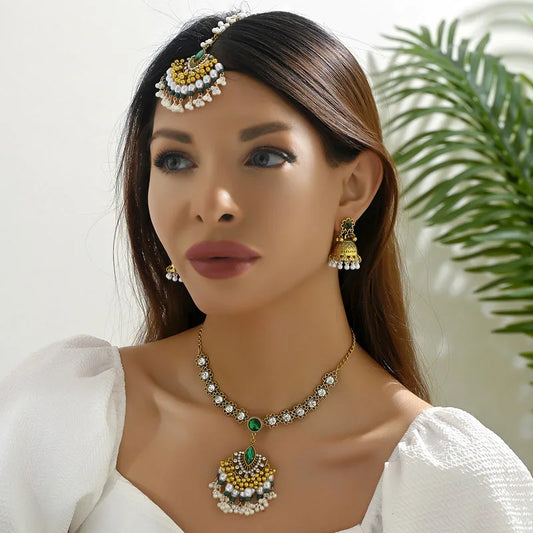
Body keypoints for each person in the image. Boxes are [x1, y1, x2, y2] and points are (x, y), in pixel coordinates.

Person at [0, 9, 531, 533]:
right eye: (175, 161)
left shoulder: (449, 485)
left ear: (353, 187)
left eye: (264, 157)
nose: (211, 205)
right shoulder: (64, 414)